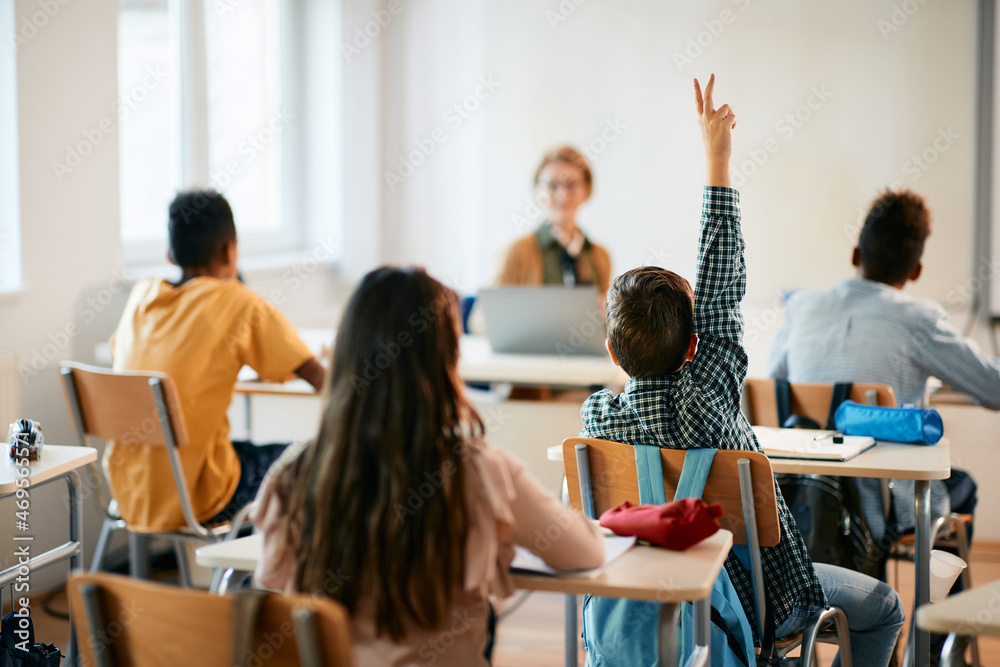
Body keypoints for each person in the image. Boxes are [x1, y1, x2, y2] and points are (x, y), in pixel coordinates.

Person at [580, 74, 904, 666]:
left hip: (643, 607)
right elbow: (721, 283)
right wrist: (718, 158)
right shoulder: (710, 395)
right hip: (760, 605)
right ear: (695, 346)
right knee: (885, 608)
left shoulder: (597, 419)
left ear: (611, 350)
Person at [250, 266, 604, 666]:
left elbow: (271, 597)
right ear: (447, 358)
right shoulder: (480, 471)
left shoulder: (293, 474)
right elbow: (586, 552)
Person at [767, 190, 985, 543]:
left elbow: (774, 386)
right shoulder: (920, 320)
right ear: (915, 271)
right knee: (964, 485)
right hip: (883, 509)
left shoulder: (801, 307)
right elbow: (991, 386)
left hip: (798, 502)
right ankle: (944, 599)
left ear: (855, 254)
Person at [108, 189, 325, 533]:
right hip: (201, 496)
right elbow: (320, 378)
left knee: (242, 449)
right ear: (230, 250)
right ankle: (277, 578)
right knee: (312, 461)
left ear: (170, 252)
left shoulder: (142, 297)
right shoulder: (237, 302)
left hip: (129, 492)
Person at [496, 146, 611, 295]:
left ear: (587, 189)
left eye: (571, 185)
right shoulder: (518, 251)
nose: (562, 195)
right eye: (552, 185)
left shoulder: (600, 256)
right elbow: (487, 314)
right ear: (538, 191)